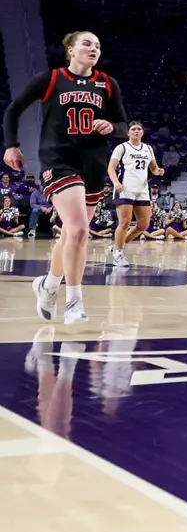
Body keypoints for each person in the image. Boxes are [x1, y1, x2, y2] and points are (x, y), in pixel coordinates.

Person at [3, 31, 128, 325]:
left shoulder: (108, 84)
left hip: (93, 165)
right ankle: (74, 300)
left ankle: (47, 285)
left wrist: (111, 127)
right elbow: (13, 109)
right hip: (59, 160)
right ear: (71, 49)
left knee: (74, 233)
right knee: (79, 230)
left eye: (98, 45)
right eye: (87, 43)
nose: (93, 48)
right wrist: (11, 144)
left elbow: (123, 124)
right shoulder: (52, 79)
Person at [107, 121, 163, 270]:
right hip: (125, 187)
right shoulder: (122, 147)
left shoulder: (148, 148)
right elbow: (111, 168)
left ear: (142, 132)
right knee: (124, 222)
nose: (136, 131)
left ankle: (118, 245)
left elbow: (153, 168)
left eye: (139, 129)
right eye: (133, 129)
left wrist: (158, 171)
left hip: (143, 189)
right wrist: (115, 182)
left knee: (144, 224)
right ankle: (118, 254)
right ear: (128, 133)